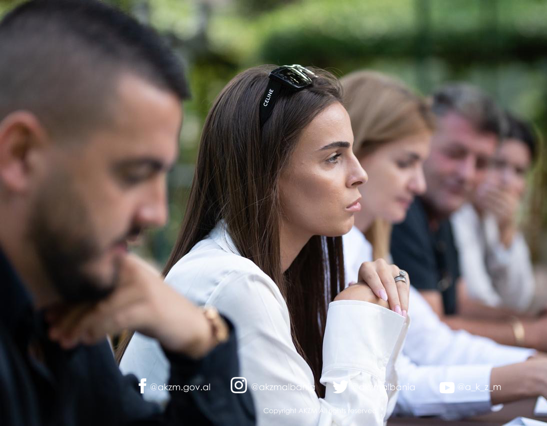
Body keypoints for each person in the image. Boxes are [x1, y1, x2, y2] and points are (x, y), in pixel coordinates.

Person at [0, 1, 255, 425]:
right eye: (133, 174)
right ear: (21, 154)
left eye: (162, 176)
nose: (156, 213)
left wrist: (199, 340)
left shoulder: (69, 309)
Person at [120, 64, 410, 426]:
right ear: (267, 174)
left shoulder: (261, 272)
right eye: (333, 157)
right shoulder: (235, 282)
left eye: (351, 153)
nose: (359, 174)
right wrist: (360, 318)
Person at [340, 71, 547, 420]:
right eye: (405, 162)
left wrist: (542, 365)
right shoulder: (349, 244)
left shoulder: (366, 243)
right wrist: (534, 368)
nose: (417, 184)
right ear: (354, 155)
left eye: (484, 163)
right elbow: (404, 381)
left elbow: (437, 342)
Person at [390, 83, 547, 353]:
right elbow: (433, 331)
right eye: (454, 154)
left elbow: (462, 304)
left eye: (482, 163)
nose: (467, 174)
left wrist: (544, 321)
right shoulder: (404, 209)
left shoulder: (442, 211)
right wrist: (536, 333)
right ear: (421, 141)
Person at [451, 112, 537, 311]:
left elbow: (519, 299)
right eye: (498, 164)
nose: (507, 181)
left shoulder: (496, 221)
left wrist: (507, 231)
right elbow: (479, 300)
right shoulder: (454, 214)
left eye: (519, 171)